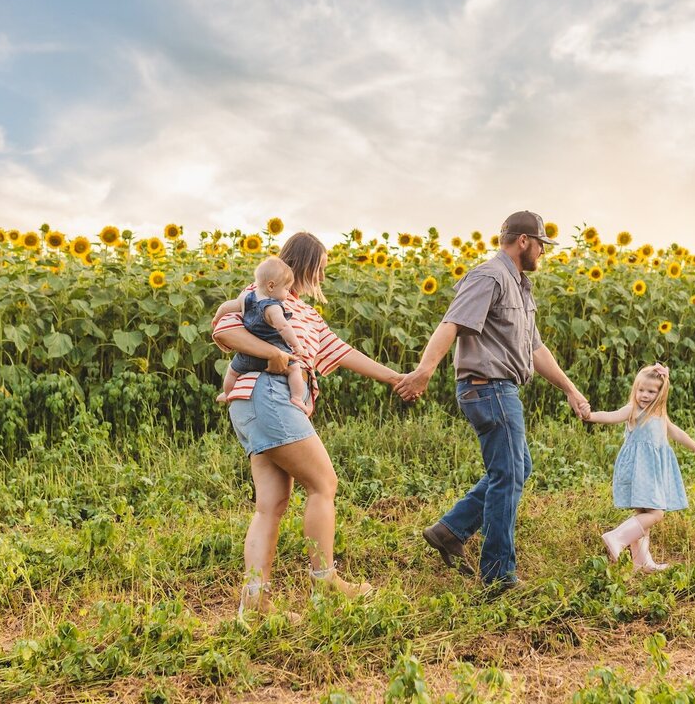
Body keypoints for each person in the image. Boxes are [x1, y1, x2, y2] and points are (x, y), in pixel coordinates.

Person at [394, 210, 591, 592]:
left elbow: (535, 348)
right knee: (509, 474)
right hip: (488, 386)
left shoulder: (519, 286)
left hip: (501, 388)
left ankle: (451, 529)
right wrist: (424, 371)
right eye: (541, 245)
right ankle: (498, 575)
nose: (543, 253)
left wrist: (570, 388)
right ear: (523, 241)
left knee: (518, 467)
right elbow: (451, 323)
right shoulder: (489, 275)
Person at [212, 232, 404, 618]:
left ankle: (254, 605)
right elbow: (222, 331)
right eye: (322, 267)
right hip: (268, 396)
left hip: (249, 404)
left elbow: (344, 353)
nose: (324, 274)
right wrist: (274, 353)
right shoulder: (261, 293)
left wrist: (397, 377)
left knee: (271, 505)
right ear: (309, 264)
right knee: (323, 483)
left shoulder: (307, 315)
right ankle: (326, 585)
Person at [589, 363, 695, 572]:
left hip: (652, 472)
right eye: (641, 390)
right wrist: (590, 416)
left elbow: (678, 434)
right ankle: (616, 537)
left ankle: (641, 562)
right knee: (656, 513)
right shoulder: (633, 411)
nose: (644, 395)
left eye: (651, 391)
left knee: (642, 516)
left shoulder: (660, 416)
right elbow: (611, 415)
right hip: (639, 470)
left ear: (661, 394)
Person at [215, 256, 309, 413]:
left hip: (248, 355)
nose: (287, 293)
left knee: (232, 371)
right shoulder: (273, 307)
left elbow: (226, 306)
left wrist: (216, 318)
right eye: (286, 289)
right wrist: (297, 346)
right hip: (275, 355)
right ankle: (297, 398)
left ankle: (226, 393)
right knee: (295, 370)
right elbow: (284, 328)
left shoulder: (246, 297)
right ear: (271, 286)